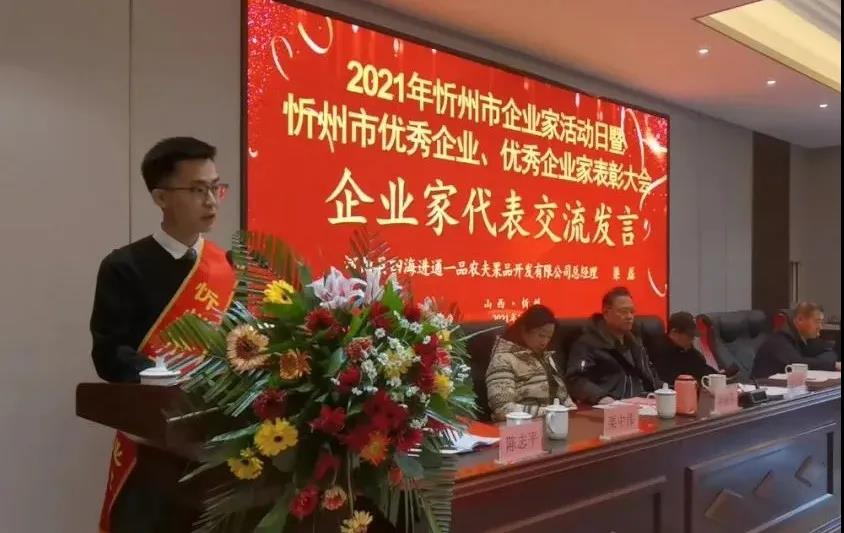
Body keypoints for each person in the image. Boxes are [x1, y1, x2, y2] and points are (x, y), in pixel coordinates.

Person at [90, 137, 236, 532]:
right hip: (152, 448)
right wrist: (166, 377)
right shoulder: (124, 266)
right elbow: (109, 352)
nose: (211, 201)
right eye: (198, 190)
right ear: (161, 197)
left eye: (216, 188)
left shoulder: (230, 268)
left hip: (218, 448)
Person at [565, 287, 662, 404]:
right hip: (610, 405)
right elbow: (575, 380)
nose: (629, 316)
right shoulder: (587, 344)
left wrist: (663, 392)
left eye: (632, 312)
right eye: (623, 311)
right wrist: (601, 397)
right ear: (606, 313)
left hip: (644, 402)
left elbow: (650, 375)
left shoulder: (635, 342)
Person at [485, 305, 575, 421]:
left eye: (549, 337)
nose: (545, 342)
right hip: (521, 425)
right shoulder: (503, 359)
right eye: (541, 335)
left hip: (551, 421)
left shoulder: (545, 357)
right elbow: (502, 409)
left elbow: (563, 397)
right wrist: (550, 412)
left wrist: (572, 412)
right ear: (524, 330)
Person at [751, 302, 841, 379]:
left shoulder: (799, 340)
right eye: (817, 321)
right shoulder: (779, 340)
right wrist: (833, 365)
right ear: (800, 319)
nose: (820, 327)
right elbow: (796, 364)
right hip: (765, 389)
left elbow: (824, 352)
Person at [649, 312, 719, 383]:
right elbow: (667, 380)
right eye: (689, 335)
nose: (692, 339)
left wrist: (718, 377)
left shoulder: (688, 350)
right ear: (674, 332)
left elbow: (701, 368)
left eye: (693, 336)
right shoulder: (659, 350)